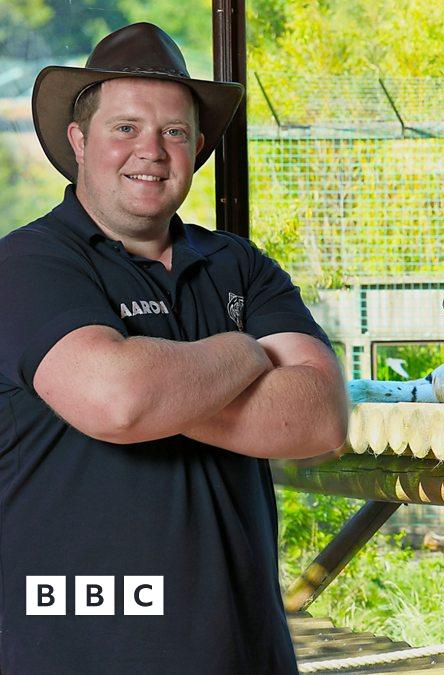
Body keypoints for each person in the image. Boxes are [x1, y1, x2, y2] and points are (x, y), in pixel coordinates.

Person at [0, 23, 348, 673]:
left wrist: (157, 379)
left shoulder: (239, 264)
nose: (152, 151)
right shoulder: (27, 264)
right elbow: (119, 400)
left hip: (244, 652)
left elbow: (320, 417)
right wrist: (245, 352)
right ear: (79, 141)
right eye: (125, 128)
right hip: (81, 652)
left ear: (197, 147)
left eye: (174, 132)